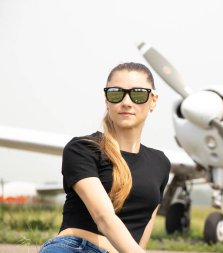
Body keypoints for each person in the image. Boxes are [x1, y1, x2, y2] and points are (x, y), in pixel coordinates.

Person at [39, 62, 171, 253]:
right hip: (76, 248)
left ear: (153, 100)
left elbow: (141, 235)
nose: (126, 102)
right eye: (117, 93)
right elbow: (103, 218)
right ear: (106, 99)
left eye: (138, 94)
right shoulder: (83, 149)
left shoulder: (160, 163)